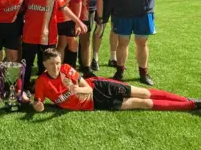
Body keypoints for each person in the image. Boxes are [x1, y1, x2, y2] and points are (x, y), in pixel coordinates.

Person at [33, 48, 201, 112]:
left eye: (57, 63)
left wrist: (76, 90)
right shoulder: (42, 82)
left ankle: (190, 101)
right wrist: (38, 106)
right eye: (51, 64)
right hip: (96, 104)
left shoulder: (67, 69)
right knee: (141, 103)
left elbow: (88, 88)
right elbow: (38, 105)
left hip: (100, 87)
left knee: (143, 93)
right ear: (44, 64)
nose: (56, 67)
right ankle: (191, 105)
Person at [22, 0, 87, 93]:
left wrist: (78, 21)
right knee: (27, 63)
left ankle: (43, 87)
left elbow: (64, 8)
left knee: (44, 63)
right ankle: (24, 88)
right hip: (29, 34)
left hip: (48, 35)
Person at [77, 0, 106, 79]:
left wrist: (100, 19)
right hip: (69, 10)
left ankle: (87, 68)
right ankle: (66, 66)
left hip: (88, 9)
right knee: (66, 40)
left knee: (86, 38)